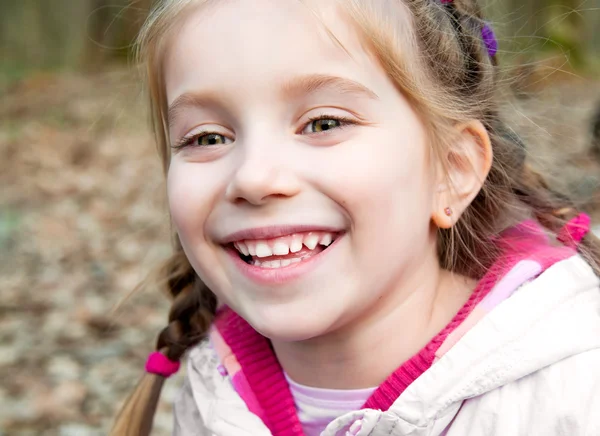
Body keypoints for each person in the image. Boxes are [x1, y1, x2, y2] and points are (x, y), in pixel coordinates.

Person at [111, 0, 600, 435]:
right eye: (208, 138)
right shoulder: (213, 390)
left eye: (324, 123)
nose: (254, 178)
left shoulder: (572, 396)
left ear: (451, 171)